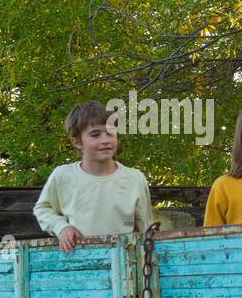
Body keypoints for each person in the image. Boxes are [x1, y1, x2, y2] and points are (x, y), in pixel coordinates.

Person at [33, 100, 154, 253]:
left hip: (125, 262)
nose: (105, 140)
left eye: (110, 133)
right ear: (77, 142)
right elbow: (43, 208)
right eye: (95, 135)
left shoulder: (135, 179)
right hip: (80, 263)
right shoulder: (63, 176)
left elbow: (146, 229)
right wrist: (61, 227)